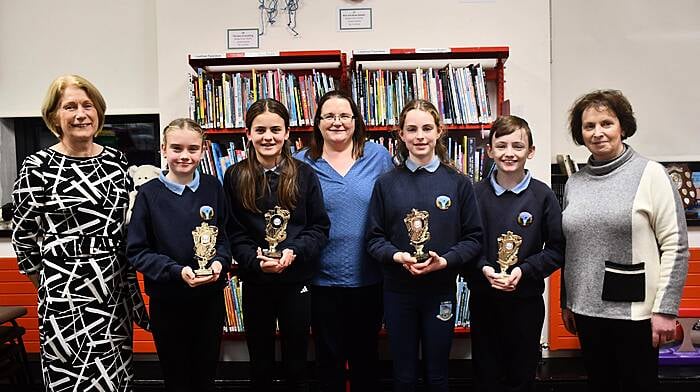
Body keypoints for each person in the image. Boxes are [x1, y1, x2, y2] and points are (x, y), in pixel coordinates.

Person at [12, 74, 148, 391]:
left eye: (88, 105)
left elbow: (125, 228)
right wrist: (54, 282)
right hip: (63, 299)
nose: (80, 114)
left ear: (98, 112)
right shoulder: (37, 166)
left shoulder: (116, 162)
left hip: (113, 296)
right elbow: (24, 240)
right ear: (54, 117)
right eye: (69, 106)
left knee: (115, 378)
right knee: (68, 381)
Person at [561, 89, 688, 392]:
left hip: (637, 315)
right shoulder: (575, 183)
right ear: (581, 133)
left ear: (623, 126)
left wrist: (666, 310)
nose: (598, 132)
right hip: (586, 312)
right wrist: (567, 301)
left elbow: (676, 246)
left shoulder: (652, 174)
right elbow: (571, 246)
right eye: (589, 126)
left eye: (606, 123)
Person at [365, 99, 482, 392]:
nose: (420, 136)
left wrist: (446, 261)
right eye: (412, 129)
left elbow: (473, 238)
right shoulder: (386, 184)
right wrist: (397, 255)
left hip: (440, 291)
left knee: (438, 373)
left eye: (427, 128)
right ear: (401, 135)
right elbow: (374, 239)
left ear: (439, 131)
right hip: (397, 292)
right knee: (403, 375)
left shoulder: (458, 183)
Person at [224, 98, 330, 391]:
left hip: (297, 281)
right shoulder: (235, 176)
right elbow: (233, 231)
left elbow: (319, 227)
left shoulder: (305, 174)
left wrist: (293, 251)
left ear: (287, 133)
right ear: (248, 133)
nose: (267, 137)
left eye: (275, 129)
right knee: (259, 360)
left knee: (297, 359)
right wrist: (253, 259)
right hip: (256, 281)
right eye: (260, 130)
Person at [294, 90, 393, 392]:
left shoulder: (378, 156)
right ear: (318, 122)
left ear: (355, 120)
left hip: (369, 276)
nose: (337, 122)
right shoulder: (301, 163)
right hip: (321, 279)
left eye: (344, 116)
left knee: (366, 358)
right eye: (329, 116)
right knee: (328, 360)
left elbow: (394, 206)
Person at [127, 118, 230, 392]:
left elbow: (226, 236)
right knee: (176, 375)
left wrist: (220, 262)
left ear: (203, 150)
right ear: (163, 149)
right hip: (168, 301)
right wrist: (175, 271)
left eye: (192, 149)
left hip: (209, 300)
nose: (185, 156)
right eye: (176, 148)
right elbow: (137, 251)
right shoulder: (148, 195)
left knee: (205, 373)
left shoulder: (213, 187)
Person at [469, 115, 565, 392]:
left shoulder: (543, 195)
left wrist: (524, 271)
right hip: (484, 301)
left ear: (530, 151)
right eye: (501, 146)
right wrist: (484, 268)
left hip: (526, 302)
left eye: (517, 146)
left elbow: (558, 249)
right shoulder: (474, 194)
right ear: (489, 150)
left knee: (521, 374)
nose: (509, 153)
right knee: (485, 374)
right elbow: (466, 244)